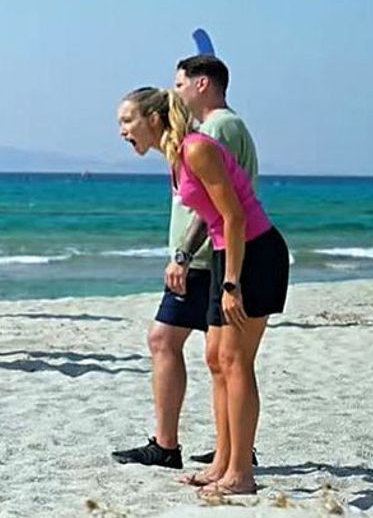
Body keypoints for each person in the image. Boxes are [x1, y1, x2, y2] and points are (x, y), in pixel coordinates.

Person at [117, 86, 288, 497]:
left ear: (154, 119)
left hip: (254, 254)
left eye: (127, 121)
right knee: (216, 359)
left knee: (234, 361)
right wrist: (187, 256)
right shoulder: (178, 159)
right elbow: (209, 218)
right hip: (227, 255)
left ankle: (241, 472)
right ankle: (223, 464)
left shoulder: (197, 149)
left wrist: (230, 283)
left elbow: (234, 218)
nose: (122, 131)